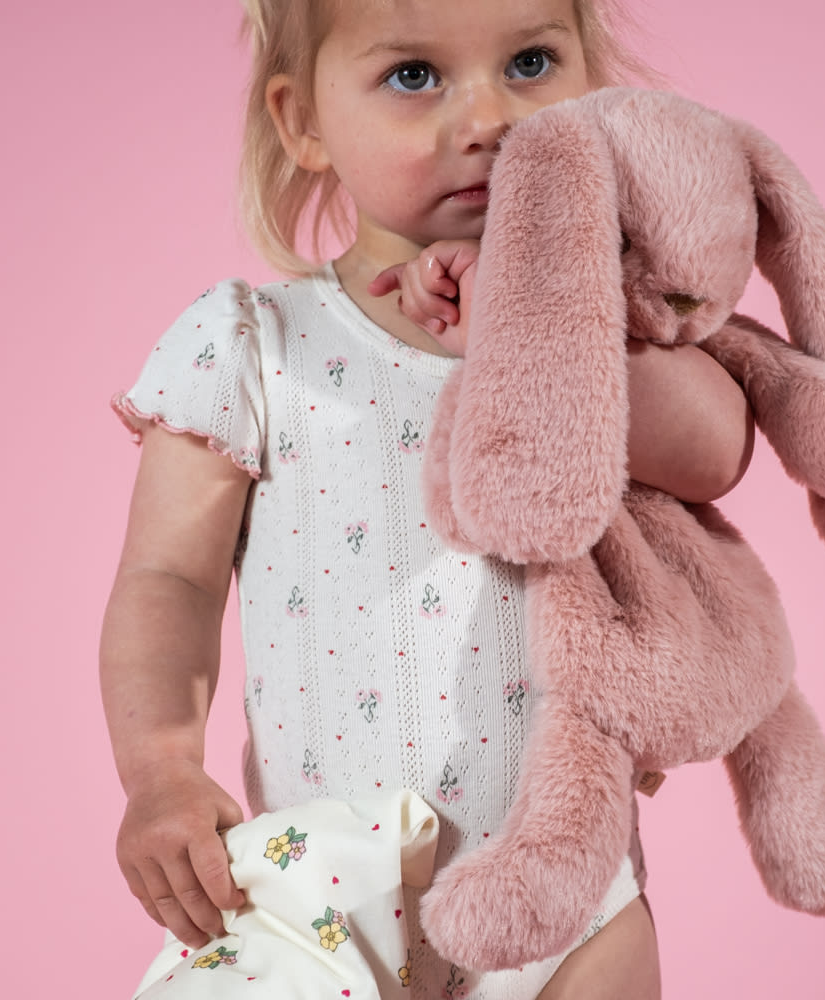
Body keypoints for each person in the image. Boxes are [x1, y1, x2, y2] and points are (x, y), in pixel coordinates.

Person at [100, 1, 753, 997]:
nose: (488, 117)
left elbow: (715, 451)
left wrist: (530, 330)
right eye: (414, 75)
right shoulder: (257, 346)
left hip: (566, 889)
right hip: (321, 897)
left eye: (530, 61)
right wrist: (161, 771)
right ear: (303, 122)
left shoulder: (611, 334)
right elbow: (167, 580)